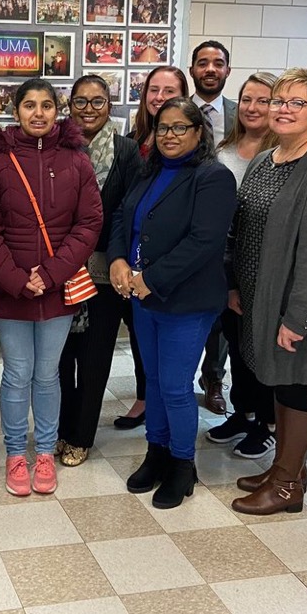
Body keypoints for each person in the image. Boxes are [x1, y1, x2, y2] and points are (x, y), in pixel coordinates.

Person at [228, 68, 307, 516]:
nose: (282, 109)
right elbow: (246, 229)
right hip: (261, 293)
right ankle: (286, 468)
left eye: (296, 103)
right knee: (278, 383)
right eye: (279, 100)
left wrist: (296, 317)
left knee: (296, 388)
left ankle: (286, 488)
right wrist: (238, 285)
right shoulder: (264, 158)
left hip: (300, 301)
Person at [0, 78, 102, 496]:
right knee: (17, 373)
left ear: (57, 110)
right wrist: (13, 278)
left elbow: (89, 225)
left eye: (47, 105)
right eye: (29, 105)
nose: (39, 113)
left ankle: (44, 451)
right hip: (10, 289)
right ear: (15, 112)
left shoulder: (77, 160)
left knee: (47, 375)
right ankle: (15, 453)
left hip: (57, 288)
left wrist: (50, 274)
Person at [110, 98, 236, 509]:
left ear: (199, 133)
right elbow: (121, 219)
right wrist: (117, 260)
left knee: (176, 387)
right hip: (143, 298)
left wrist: (151, 278)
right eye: (163, 127)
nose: (170, 135)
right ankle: (157, 452)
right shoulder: (149, 173)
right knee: (156, 383)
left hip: (185, 300)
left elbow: (204, 241)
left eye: (181, 127)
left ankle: (183, 466)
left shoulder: (212, 177)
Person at [57, 75, 141, 467]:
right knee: (59, 358)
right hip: (59, 269)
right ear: (68, 105)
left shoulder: (126, 152)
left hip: (106, 271)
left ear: (110, 105)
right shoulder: (56, 146)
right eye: (80, 102)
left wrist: (120, 257)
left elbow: (129, 211)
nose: (88, 109)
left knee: (94, 358)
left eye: (98, 101)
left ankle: (82, 435)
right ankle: (60, 428)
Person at [203, 71, 279, 459]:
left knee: (259, 347)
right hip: (225, 265)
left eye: (262, 100)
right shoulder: (225, 149)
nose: (252, 107)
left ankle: (267, 422)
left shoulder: (281, 152)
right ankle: (243, 412)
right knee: (235, 342)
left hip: (263, 268)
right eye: (247, 99)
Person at [118, 65, 189, 429]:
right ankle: (146, 398)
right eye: (153, 91)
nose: (159, 98)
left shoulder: (198, 158)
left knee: (174, 359)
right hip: (133, 265)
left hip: (174, 271)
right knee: (139, 335)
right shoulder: (133, 142)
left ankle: (169, 413)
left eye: (169, 91)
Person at [189, 40, 237, 415]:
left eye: (217, 63)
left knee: (222, 315)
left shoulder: (244, 114)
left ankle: (214, 378)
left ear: (227, 71)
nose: (210, 69)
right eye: (203, 63)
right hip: (188, 225)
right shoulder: (181, 112)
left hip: (234, 228)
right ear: (192, 70)